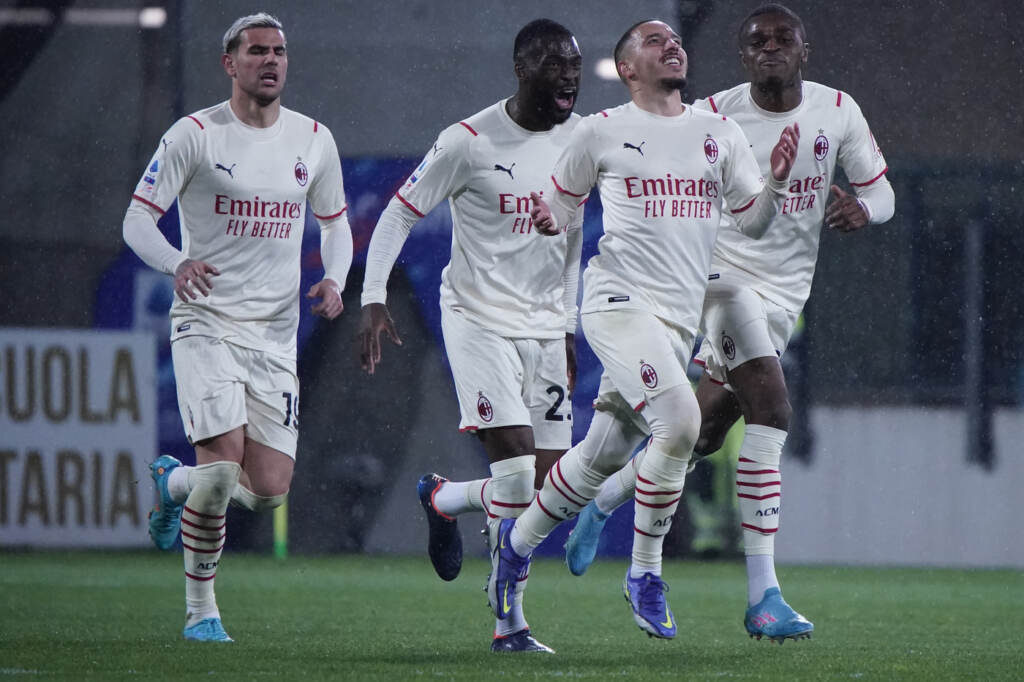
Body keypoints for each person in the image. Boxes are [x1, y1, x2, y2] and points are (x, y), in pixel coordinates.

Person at [565, 3, 895, 643]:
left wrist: (864, 209)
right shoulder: (713, 117)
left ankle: (603, 501)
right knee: (771, 408)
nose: (771, 47)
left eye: (783, 38)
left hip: (786, 294)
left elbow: (882, 190)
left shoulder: (837, 111)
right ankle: (763, 595)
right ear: (743, 57)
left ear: (804, 50)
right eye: (757, 40)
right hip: (719, 281)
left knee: (704, 432)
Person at [489, 18, 799, 641]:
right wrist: (548, 221)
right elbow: (561, 206)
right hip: (617, 302)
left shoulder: (719, 133)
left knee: (600, 456)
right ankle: (645, 573)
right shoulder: (599, 131)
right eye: (654, 41)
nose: (672, 45)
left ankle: (514, 548)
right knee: (681, 424)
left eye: (674, 40)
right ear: (627, 68)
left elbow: (754, 223)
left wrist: (778, 182)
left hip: (678, 319)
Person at [123, 13, 353, 642]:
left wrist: (335, 278)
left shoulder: (313, 139)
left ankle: (171, 483)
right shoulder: (195, 135)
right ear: (230, 63)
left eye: (279, 51)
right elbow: (137, 220)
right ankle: (202, 612)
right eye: (257, 51)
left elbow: (335, 222)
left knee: (270, 489)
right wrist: (177, 262)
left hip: (275, 337)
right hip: (207, 323)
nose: (271, 60)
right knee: (222, 470)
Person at [357, 19, 584, 654]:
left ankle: (444, 497)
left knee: (543, 492)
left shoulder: (581, 141)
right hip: (478, 319)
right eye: (554, 63)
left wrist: (567, 326)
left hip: (545, 327)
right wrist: (373, 296)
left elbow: (571, 240)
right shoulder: (467, 141)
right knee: (514, 473)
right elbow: (398, 213)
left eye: (574, 64)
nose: (569, 75)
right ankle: (510, 624)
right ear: (521, 69)